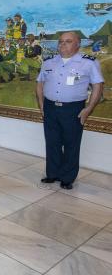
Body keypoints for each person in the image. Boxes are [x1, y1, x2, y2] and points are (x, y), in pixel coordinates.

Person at [36, 31, 104, 190]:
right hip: (50, 108)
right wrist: (41, 105)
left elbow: (98, 86)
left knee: (71, 144)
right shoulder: (49, 61)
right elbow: (40, 83)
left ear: (78, 44)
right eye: (61, 41)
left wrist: (88, 109)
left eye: (68, 41)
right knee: (52, 142)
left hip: (73, 109)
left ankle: (67, 178)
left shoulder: (89, 62)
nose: (62, 44)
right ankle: (52, 174)